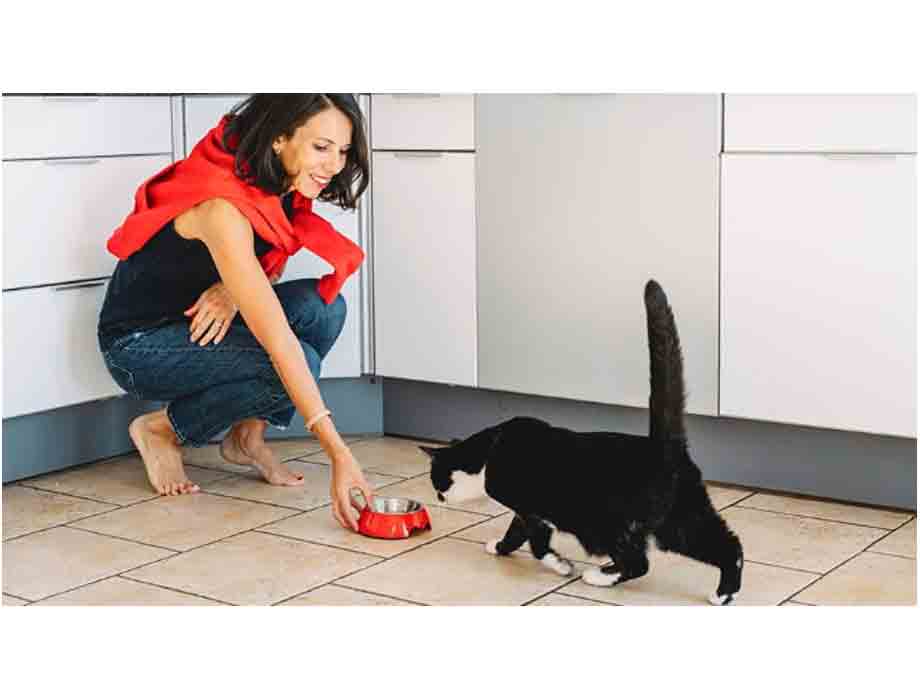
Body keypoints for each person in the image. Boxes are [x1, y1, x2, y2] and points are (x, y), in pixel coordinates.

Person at [97, 94, 375, 531]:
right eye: (321, 147)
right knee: (297, 360)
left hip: (195, 323)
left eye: (342, 151)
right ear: (280, 138)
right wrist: (339, 453)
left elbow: (267, 258)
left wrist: (231, 289)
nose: (334, 165)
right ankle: (162, 429)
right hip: (139, 344)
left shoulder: (277, 179)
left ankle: (245, 437)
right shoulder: (222, 205)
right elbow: (278, 341)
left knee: (323, 310)